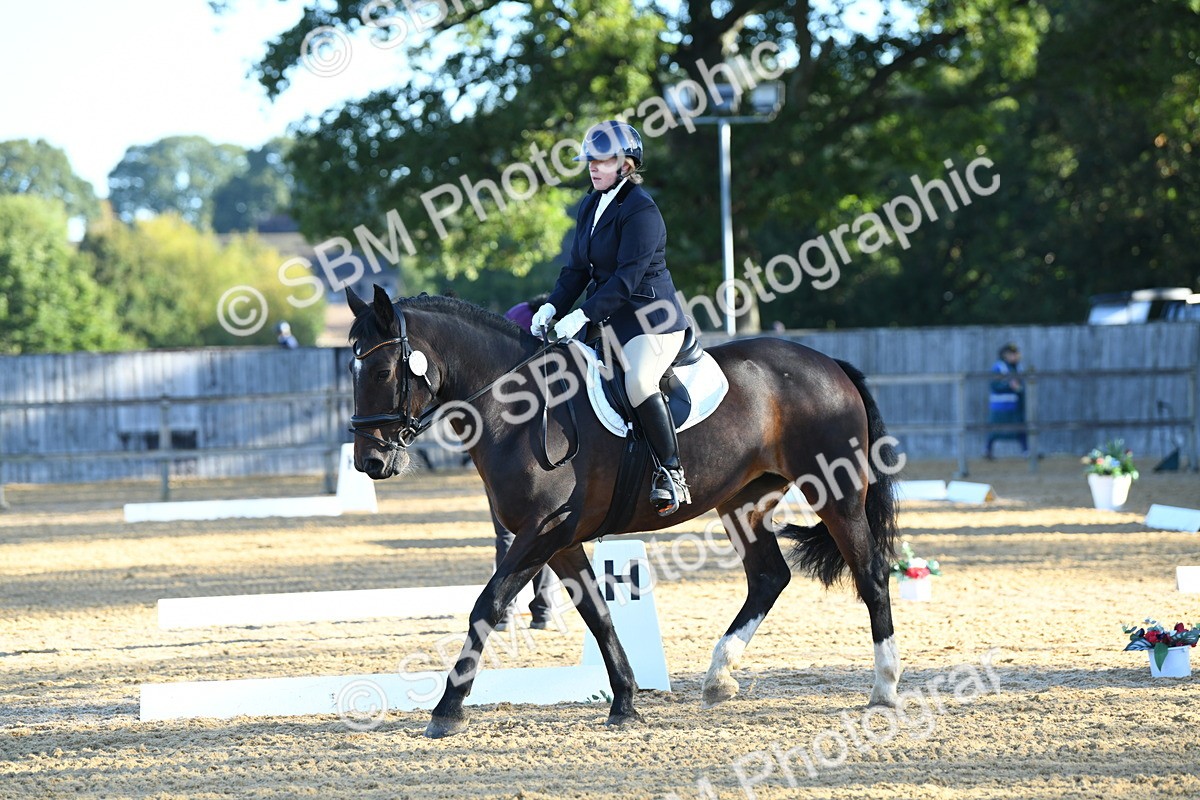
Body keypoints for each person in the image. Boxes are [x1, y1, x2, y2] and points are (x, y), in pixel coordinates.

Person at [530, 120, 691, 515]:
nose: (593, 167)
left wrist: (580, 315)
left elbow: (625, 280)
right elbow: (576, 271)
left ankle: (672, 473)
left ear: (627, 165)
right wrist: (553, 307)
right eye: (591, 160)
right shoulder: (590, 203)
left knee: (637, 381)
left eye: (602, 161)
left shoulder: (642, 211)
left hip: (651, 319)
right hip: (608, 322)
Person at [490, 299, 558, 630]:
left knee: (509, 535)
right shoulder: (544, 330)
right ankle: (541, 610)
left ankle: (505, 611)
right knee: (540, 531)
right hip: (539, 442)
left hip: (509, 448)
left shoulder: (513, 320)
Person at [985, 342, 1028, 459]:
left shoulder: (1018, 367)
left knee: (1020, 428)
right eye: (1012, 354)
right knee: (994, 429)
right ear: (1005, 355)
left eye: (1016, 354)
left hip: (1015, 405)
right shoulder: (999, 367)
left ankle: (1026, 451)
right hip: (1000, 406)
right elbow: (994, 385)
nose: (1015, 356)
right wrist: (1009, 386)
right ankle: (987, 451)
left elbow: (1021, 386)